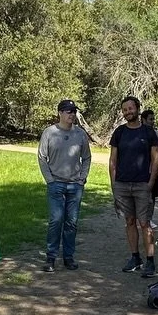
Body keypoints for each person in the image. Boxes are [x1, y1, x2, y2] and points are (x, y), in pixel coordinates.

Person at [108, 95, 158, 277]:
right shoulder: (119, 132)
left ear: (138, 109)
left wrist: (150, 183)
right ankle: (135, 257)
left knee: (145, 223)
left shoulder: (148, 132)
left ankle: (150, 261)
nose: (127, 112)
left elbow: (155, 160)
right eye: (124, 110)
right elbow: (113, 161)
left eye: (130, 108)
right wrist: (114, 184)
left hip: (142, 185)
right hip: (122, 185)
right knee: (129, 221)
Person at [38, 99, 91, 272]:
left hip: (75, 185)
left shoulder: (80, 134)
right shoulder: (49, 133)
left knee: (72, 222)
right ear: (60, 113)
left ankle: (68, 257)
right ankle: (51, 257)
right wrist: (49, 180)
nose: (72, 115)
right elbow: (42, 158)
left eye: (74, 111)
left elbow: (87, 158)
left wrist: (82, 178)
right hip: (56, 184)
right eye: (68, 111)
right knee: (56, 220)